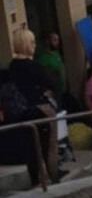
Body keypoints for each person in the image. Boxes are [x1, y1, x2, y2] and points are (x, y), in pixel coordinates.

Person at [8, 28, 62, 183]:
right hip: (40, 107)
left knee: (31, 146)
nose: (35, 45)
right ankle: (53, 174)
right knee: (49, 145)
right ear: (27, 44)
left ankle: (35, 178)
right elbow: (52, 83)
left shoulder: (12, 66)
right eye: (32, 42)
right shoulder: (32, 66)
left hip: (21, 110)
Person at [35, 32, 67, 100]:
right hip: (52, 91)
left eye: (58, 40)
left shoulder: (57, 54)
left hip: (61, 89)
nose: (57, 42)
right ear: (48, 41)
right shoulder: (43, 57)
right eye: (54, 40)